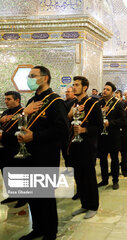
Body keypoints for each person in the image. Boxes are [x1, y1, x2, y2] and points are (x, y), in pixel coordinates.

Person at [18, 66, 69, 240]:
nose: (29, 79)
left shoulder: (56, 102)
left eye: (33, 76)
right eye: (29, 76)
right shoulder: (32, 100)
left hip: (46, 156)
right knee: (32, 195)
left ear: (45, 78)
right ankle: (38, 228)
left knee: (45, 197)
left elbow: (63, 130)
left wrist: (36, 136)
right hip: (29, 155)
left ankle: (50, 232)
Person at [69, 76, 102, 219]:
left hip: (87, 146)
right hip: (74, 146)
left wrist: (84, 130)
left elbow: (99, 126)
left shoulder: (93, 104)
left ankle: (93, 206)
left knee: (89, 176)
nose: (74, 87)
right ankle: (84, 204)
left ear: (85, 87)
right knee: (78, 176)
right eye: (73, 85)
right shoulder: (72, 104)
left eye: (77, 85)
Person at [97, 82, 126, 189]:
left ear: (112, 92)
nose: (105, 91)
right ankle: (104, 179)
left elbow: (123, 120)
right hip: (102, 136)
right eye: (104, 89)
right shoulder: (99, 103)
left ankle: (115, 180)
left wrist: (110, 123)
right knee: (102, 159)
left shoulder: (118, 104)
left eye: (107, 89)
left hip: (114, 135)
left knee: (114, 159)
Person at [0, 91, 25, 207]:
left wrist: (3, 136)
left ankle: (22, 198)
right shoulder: (5, 112)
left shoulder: (23, 113)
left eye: (8, 99)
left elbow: (21, 131)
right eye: (5, 99)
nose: (6, 101)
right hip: (3, 148)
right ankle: (13, 195)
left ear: (17, 100)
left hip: (15, 147)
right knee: (6, 172)